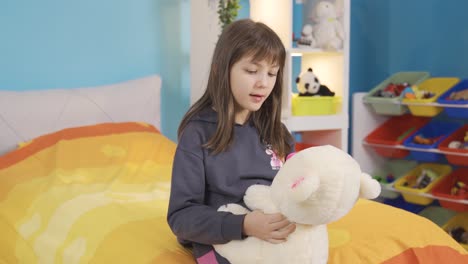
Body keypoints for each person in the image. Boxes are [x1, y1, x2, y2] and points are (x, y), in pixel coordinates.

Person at [167, 18, 296, 264]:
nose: (263, 83)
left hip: (278, 241)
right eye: (251, 71)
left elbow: (296, 190)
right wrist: (245, 225)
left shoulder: (279, 134)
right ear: (220, 69)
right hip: (225, 242)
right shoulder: (198, 134)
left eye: (271, 73)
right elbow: (181, 217)